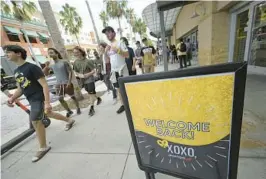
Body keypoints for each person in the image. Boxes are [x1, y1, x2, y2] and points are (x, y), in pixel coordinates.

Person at [4, 45, 75, 162]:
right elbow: (21, 88)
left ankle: (43, 147)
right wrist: (12, 99)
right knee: (48, 114)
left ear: (18, 54)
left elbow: (44, 85)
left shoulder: (32, 67)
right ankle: (69, 120)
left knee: (35, 120)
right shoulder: (16, 71)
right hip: (31, 99)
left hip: (39, 97)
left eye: (9, 52)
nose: (6, 55)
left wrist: (47, 102)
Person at [45, 48, 81, 117]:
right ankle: (69, 111)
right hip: (59, 84)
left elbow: (70, 72)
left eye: (51, 52)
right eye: (49, 53)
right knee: (60, 99)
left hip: (66, 83)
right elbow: (46, 74)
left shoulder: (64, 62)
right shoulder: (51, 65)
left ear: (56, 53)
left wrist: (69, 82)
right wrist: (46, 67)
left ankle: (78, 108)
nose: (50, 54)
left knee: (73, 97)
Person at [102, 26, 129, 114]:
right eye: (106, 34)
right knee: (118, 89)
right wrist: (105, 52)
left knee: (125, 88)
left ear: (114, 33)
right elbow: (107, 61)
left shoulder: (120, 43)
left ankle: (129, 104)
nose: (108, 35)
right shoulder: (108, 47)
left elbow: (127, 55)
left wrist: (117, 50)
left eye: (109, 32)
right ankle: (123, 105)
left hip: (122, 69)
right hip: (114, 71)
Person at [72, 46, 102, 116]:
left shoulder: (88, 61)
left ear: (81, 52)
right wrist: (79, 75)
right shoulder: (75, 62)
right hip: (83, 81)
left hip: (90, 79)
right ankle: (98, 98)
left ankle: (91, 108)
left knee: (91, 93)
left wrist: (87, 75)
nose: (76, 54)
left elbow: (94, 70)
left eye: (77, 52)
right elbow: (75, 72)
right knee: (90, 92)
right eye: (74, 53)